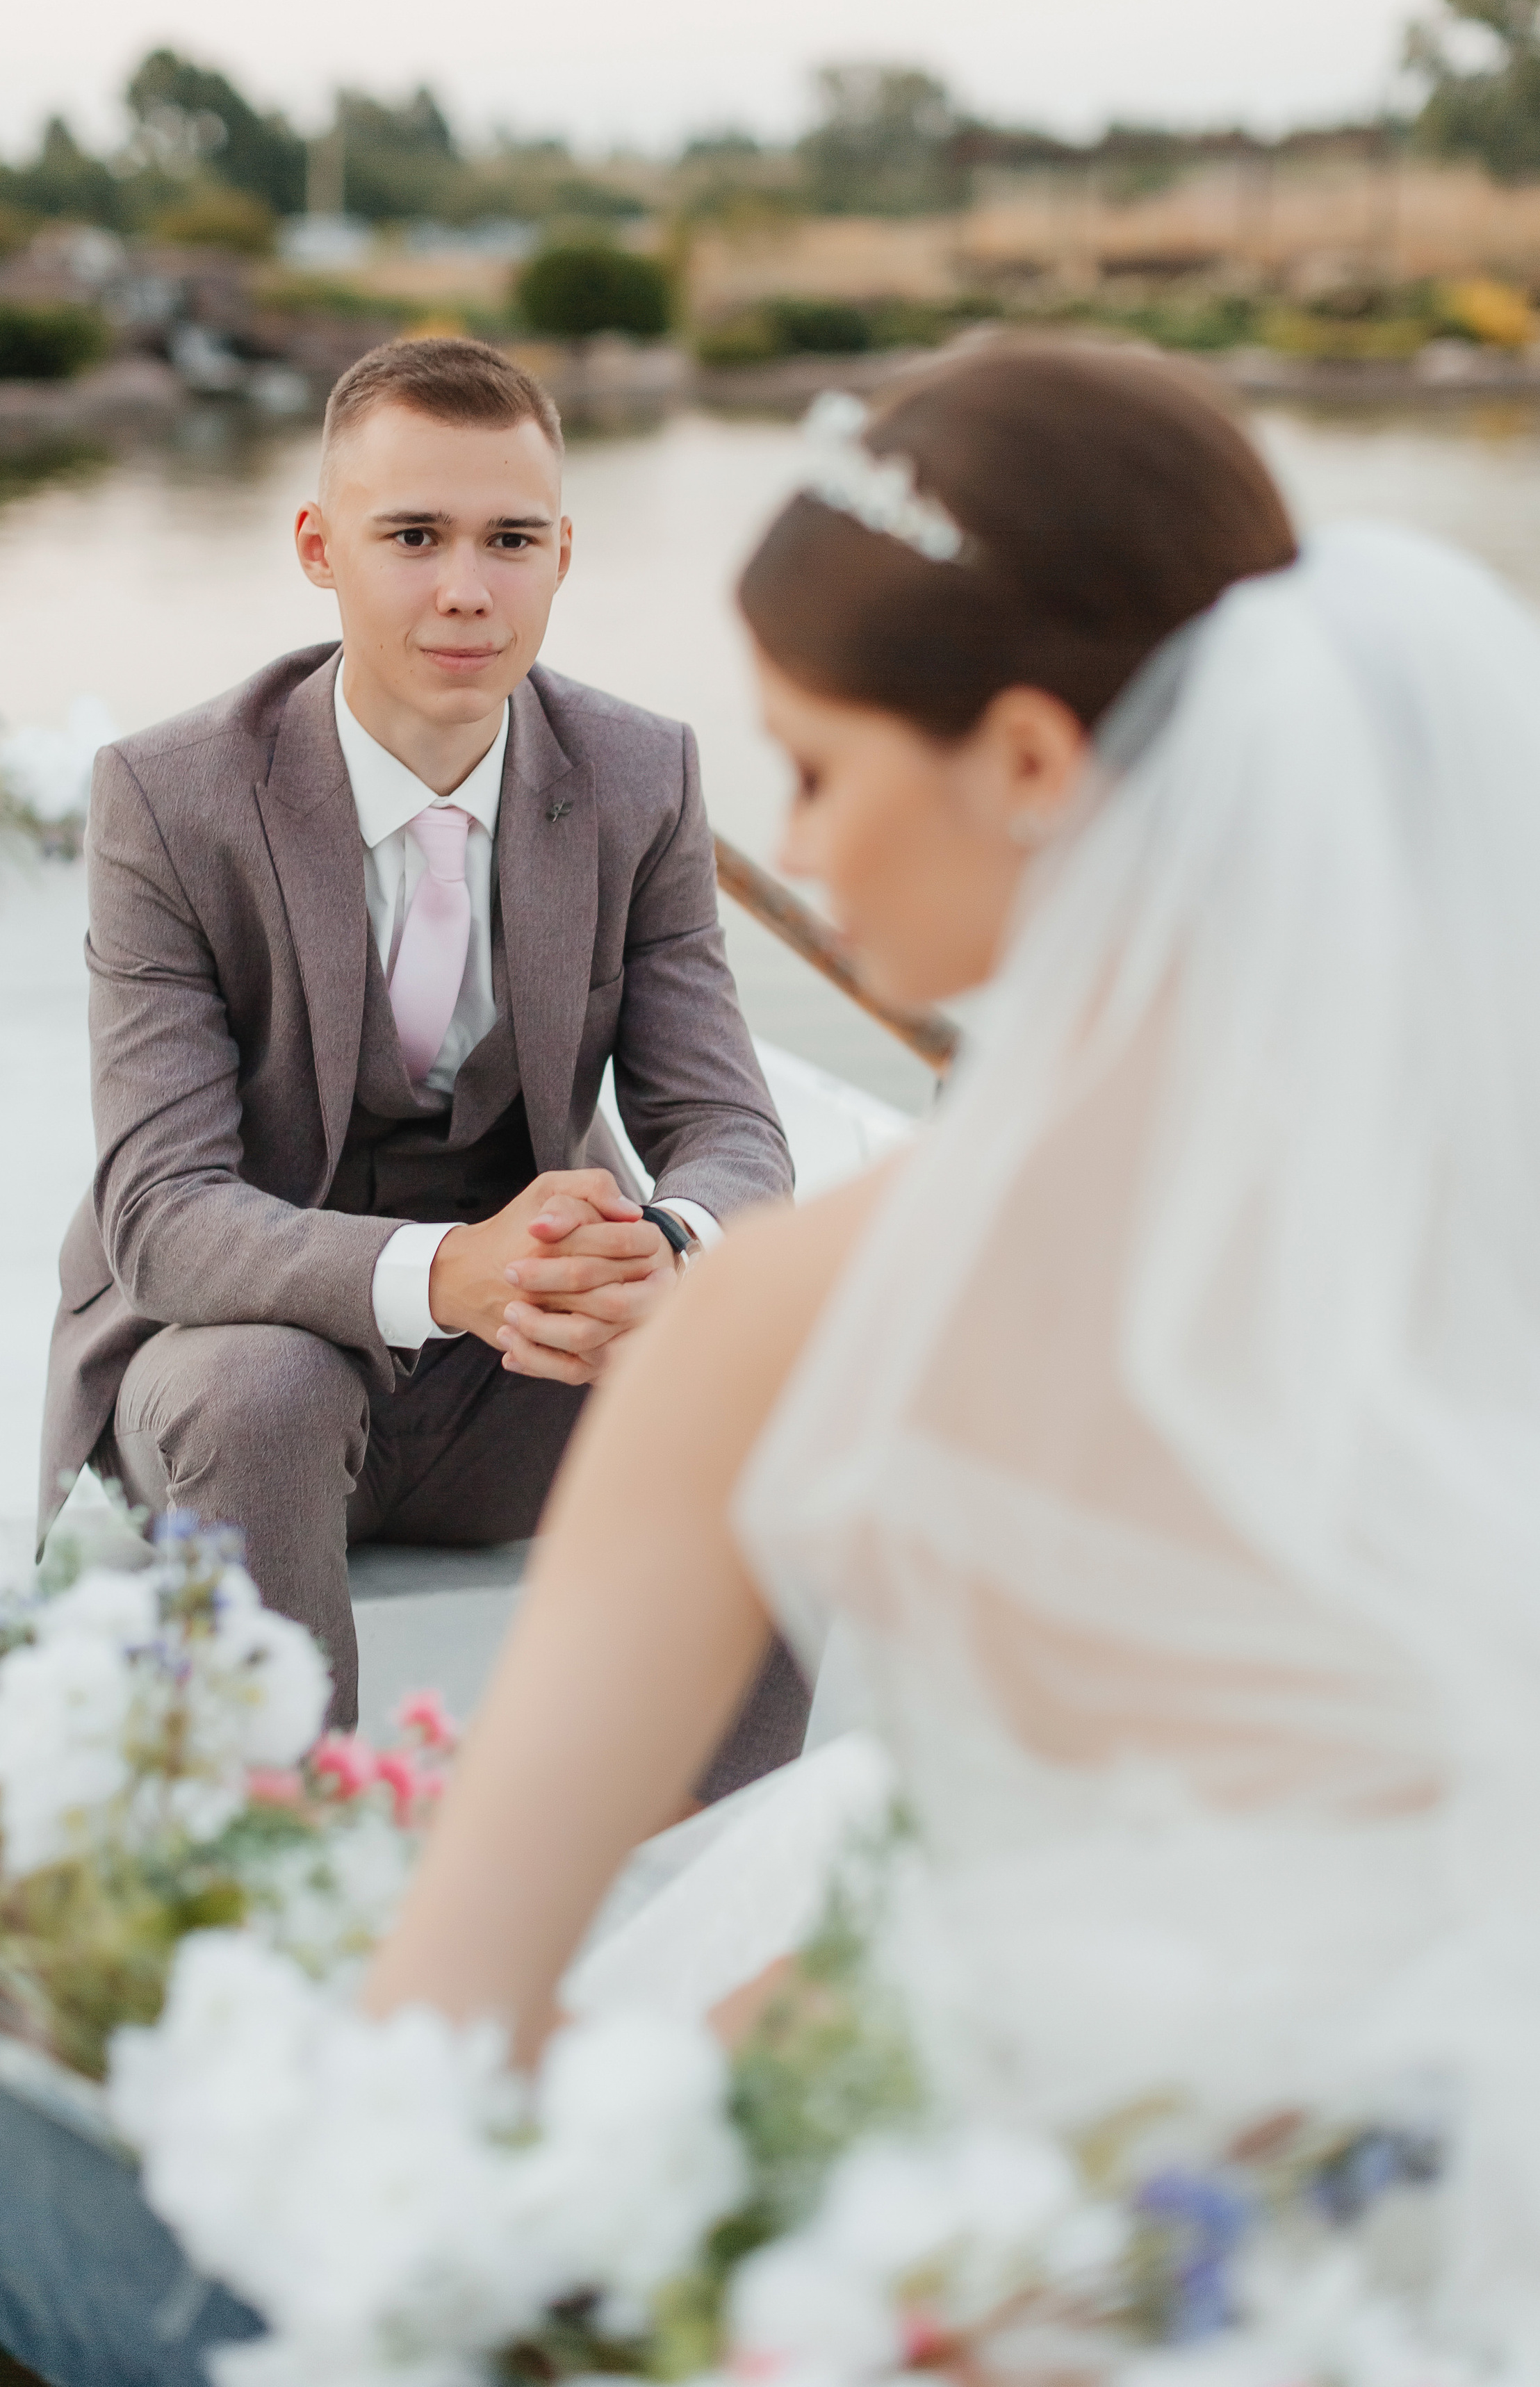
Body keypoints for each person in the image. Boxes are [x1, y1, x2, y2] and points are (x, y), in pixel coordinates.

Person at [354, 334, 1540, 2314]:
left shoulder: (794, 1324)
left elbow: (444, 2028)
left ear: (1024, 762)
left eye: (816, 768)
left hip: (1017, 2266)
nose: (794, 852)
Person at [37, 337, 807, 1792]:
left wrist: (666, 1250)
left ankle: (724, 1886)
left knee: (750, 1369)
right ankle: (282, 1861)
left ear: (563, 555)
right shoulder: (169, 798)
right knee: (260, 1394)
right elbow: (158, 1212)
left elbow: (727, 1133)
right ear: (321, 550)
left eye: (510, 540)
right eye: (413, 538)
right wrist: (448, 1272)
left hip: (514, 1380)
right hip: (234, 1367)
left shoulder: (640, 777)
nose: (466, 587)